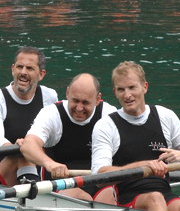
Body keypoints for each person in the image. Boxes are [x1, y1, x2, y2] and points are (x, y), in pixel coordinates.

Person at [90, 61, 180, 211]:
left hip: (164, 193)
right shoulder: (106, 126)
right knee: (155, 199)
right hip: (128, 199)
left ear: (144, 87)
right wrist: (144, 165)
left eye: (132, 87)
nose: (127, 95)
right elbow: (99, 175)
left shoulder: (165, 116)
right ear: (115, 92)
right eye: (121, 89)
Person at [20, 73, 116, 201]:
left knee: (111, 197)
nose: (79, 108)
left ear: (98, 99)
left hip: (99, 184)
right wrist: (50, 164)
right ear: (67, 93)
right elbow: (28, 145)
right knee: (81, 197)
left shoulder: (108, 115)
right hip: (60, 183)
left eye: (85, 103)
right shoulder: (52, 114)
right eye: (75, 100)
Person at [0, 46, 58, 185]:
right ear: (12, 69)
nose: (23, 72)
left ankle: (35, 189)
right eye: (19, 67)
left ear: (41, 74)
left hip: (39, 169)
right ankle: (34, 197)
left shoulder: (49, 96)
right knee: (25, 154)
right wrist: (22, 148)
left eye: (29, 68)